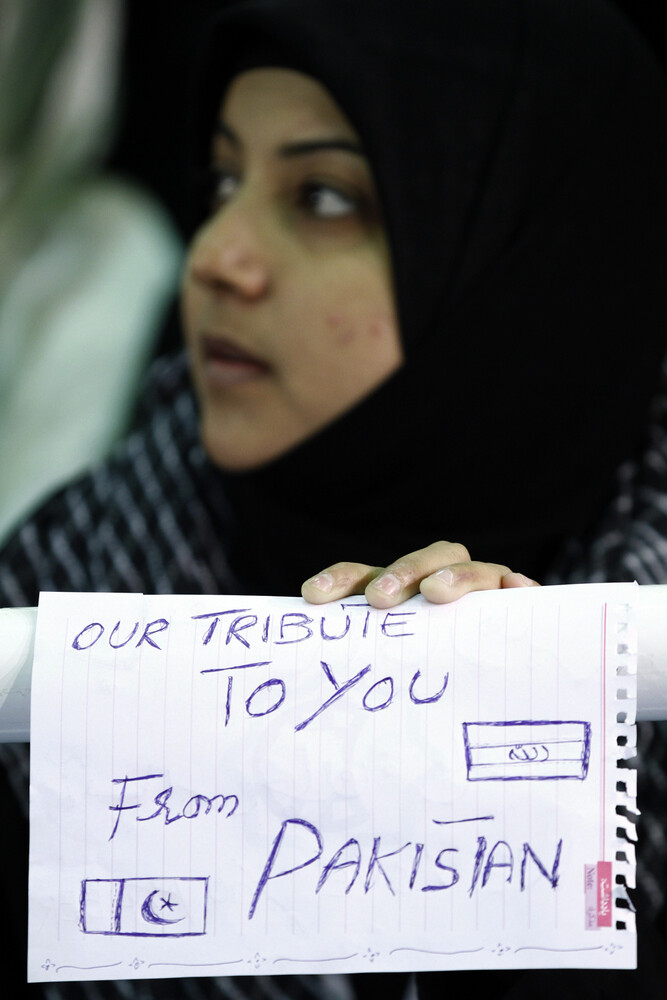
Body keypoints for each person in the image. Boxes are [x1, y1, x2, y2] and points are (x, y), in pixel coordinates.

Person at [1, 0, 667, 997]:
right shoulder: (69, 575)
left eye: (321, 198)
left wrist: (514, 830)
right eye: (222, 182)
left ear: (519, 248)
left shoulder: (650, 604)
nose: (215, 256)